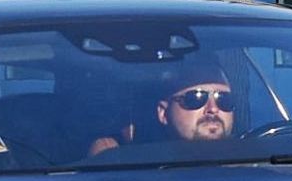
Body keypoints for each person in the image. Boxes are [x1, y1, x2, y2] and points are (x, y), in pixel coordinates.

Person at [87, 55, 240, 155]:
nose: (213, 109)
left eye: (224, 98)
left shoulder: (255, 160)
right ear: (163, 113)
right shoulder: (120, 159)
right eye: (195, 98)